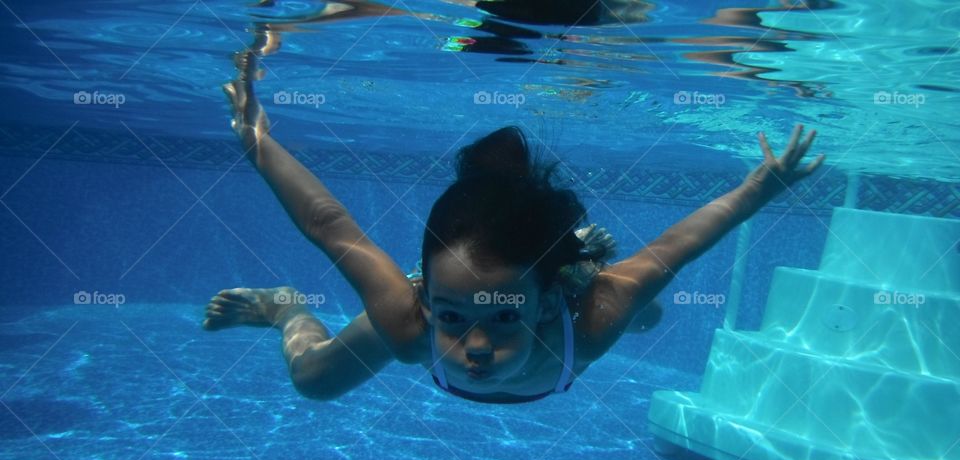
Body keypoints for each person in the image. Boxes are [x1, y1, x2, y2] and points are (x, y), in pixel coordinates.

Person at [203, 53, 824, 404]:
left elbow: (674, 249)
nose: (474, 348)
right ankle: (284, 308)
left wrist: (756, 190)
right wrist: (255, 139)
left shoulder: (591, 321)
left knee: (641, 304)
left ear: (547, 303)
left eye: (502, 319)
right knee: (313, 381)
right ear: (423, 301)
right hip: (488, 284)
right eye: (452, 319)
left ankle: (577, 262)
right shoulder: (409, 323)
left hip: (564, 282)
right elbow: (328, 224)